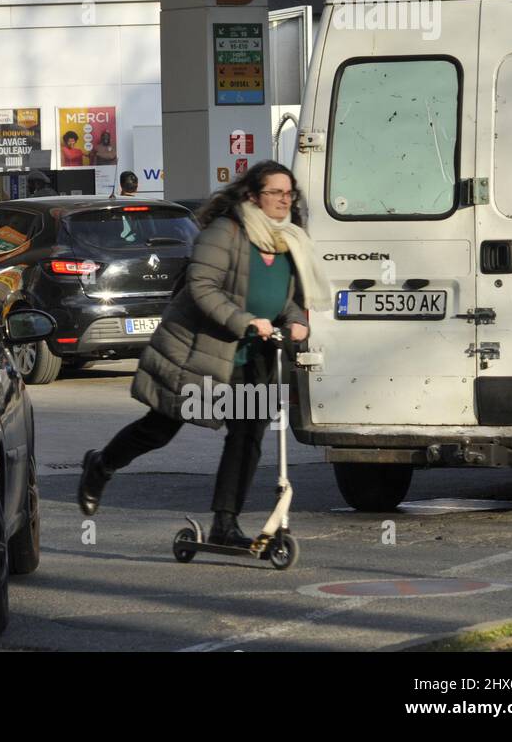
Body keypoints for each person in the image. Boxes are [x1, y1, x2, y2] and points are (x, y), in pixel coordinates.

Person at [77, 160, 332, 547]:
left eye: (289, 193)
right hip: (202, 348)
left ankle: (224, 524)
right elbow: (202, 286)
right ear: (252, 195)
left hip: (256, 355)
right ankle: (102, 464)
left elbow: (289, 298)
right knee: (161, 427)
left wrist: (296, 320)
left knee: (247, 435)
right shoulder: (226, 232)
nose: (285, 200)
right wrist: (244, 320)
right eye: (275, 192)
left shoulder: (289, 239)